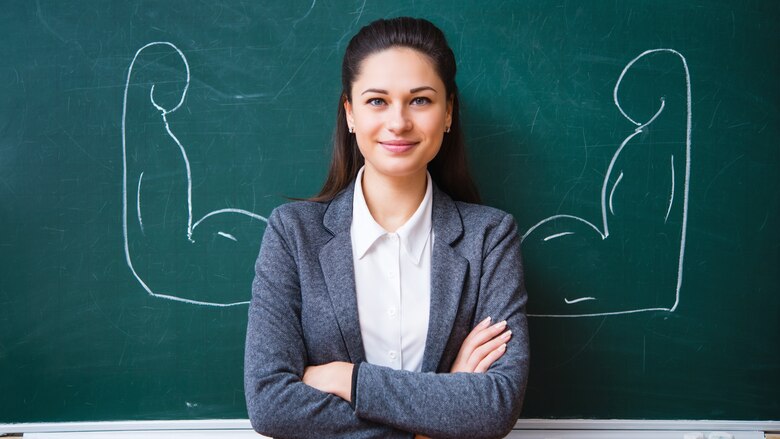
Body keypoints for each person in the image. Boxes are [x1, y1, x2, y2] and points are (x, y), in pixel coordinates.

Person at [244, 17, 529, 439]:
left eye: (420, 101)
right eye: (377, 101)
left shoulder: (490, 238)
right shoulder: (293, 234)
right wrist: (434, 417)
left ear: (448, 112)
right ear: (350, 113)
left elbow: (496, 406)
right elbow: (270, 404)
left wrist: (348, 379)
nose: (398, 122)